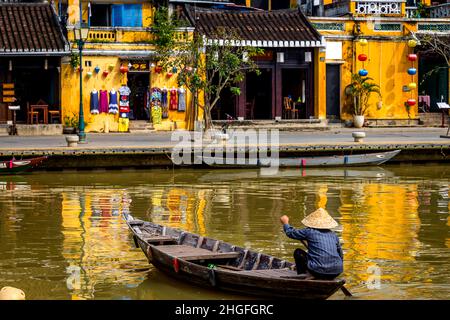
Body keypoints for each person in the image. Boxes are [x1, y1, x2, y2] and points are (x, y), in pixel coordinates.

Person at [280, 208, 343, 280]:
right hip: (336, 271)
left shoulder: (309, 231)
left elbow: (290, 233)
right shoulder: (333, 235)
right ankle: (321, 273)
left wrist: (285, 223)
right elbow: (340, 254)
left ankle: (308, 274)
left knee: (298, 252)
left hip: (318, 271)